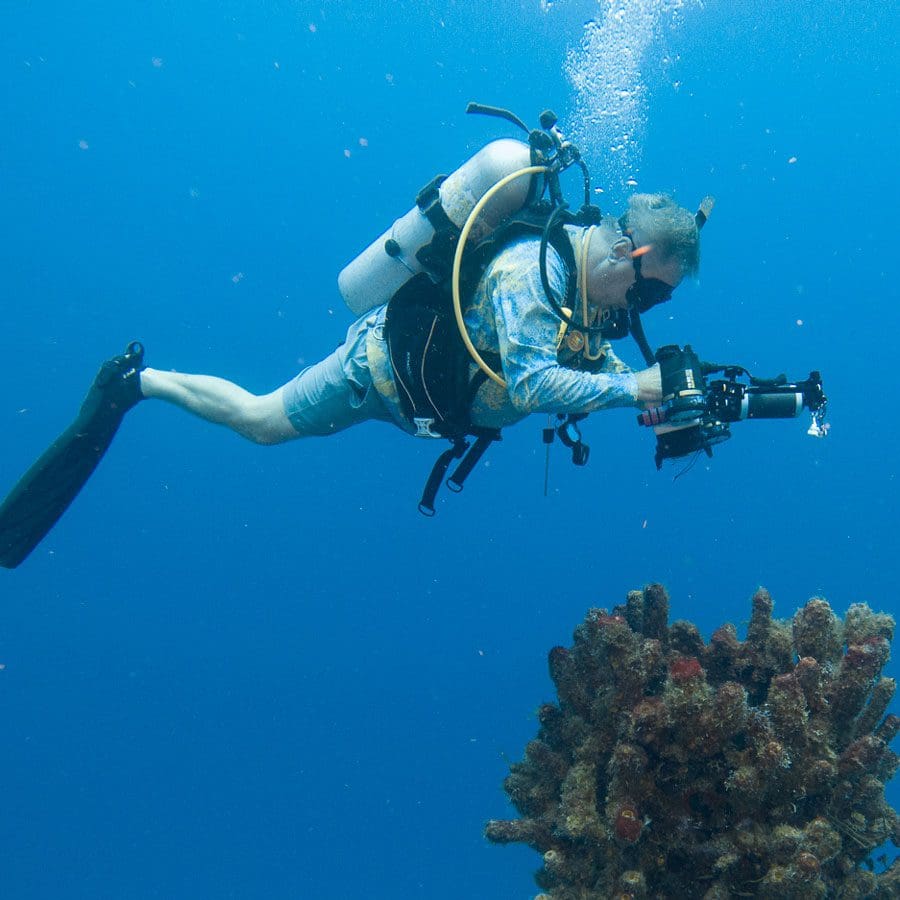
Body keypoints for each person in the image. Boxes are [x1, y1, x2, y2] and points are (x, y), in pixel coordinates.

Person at [0, 192, 699, 568]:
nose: (644, 311)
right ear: (623, 251)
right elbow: (532, 386)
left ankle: (142, 382)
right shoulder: (532, 277)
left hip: (425, 402)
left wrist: (645, 385)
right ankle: (136, 382)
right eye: (650, 293)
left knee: (264, 424)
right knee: (263, 422)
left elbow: (580, 360)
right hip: (374, 378)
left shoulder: (586, 290)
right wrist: (634, 387)